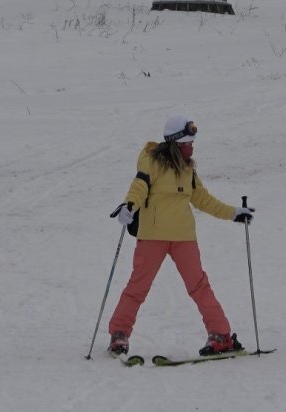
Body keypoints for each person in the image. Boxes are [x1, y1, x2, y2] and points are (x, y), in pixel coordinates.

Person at [108, 115, 254, 356]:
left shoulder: (188, 170)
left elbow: (204, 200)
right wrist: (129, 206)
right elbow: (139, 186)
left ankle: (221, 335)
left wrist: (234, 213)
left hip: (183, 237)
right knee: (138, 287)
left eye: (192, 142)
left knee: (199, 286)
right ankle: (119, 335)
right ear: (175, 143)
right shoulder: (151, 162)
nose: (191, 147)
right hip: (153, 235)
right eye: (187, 143)